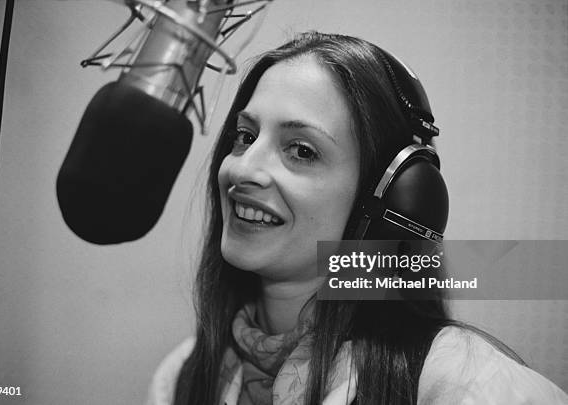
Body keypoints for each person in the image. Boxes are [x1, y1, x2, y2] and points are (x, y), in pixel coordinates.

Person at [146, 32, 568, 404]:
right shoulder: (183, 375)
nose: (241, 170)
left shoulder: (467, 386)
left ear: (389, 202)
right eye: (245, 136)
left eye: (302, 150)